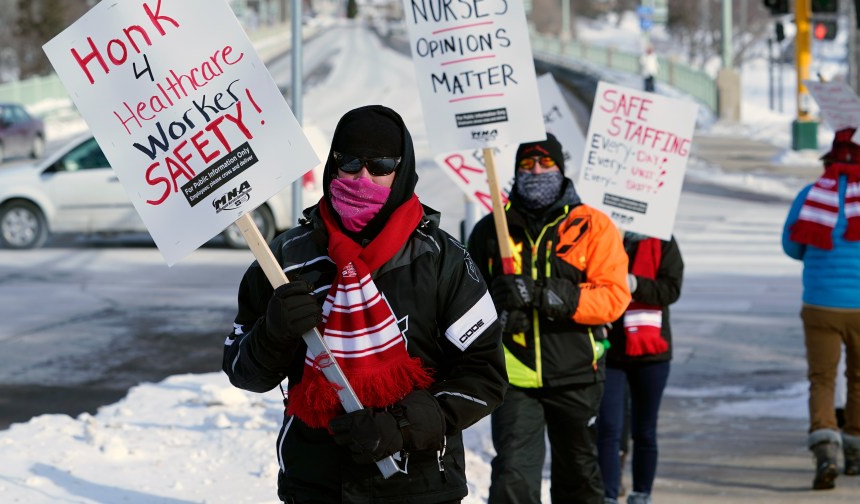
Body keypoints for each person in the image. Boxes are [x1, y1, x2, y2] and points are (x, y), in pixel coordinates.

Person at [222, 105, 508, 503]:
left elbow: (484, 375)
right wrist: (273, 332)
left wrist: (403, 426)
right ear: (332, 167)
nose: (363, 177)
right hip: (316, 484)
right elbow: (242, 371)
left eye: (381, 165)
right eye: (350, 162)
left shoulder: (442, 258)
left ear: (402, 169)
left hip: (419, 485)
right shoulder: (284, 260)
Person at [466, 134, 631, 504]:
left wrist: (542, 294)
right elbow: (465, 300)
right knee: (512, 480)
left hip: (576, 374)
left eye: (545, 163)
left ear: (560, 169)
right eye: (527, 164)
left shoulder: (591, 226)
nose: (536, 171)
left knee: (578, 478)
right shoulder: (492, 229)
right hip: (514, 377)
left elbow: (613, 297)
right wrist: (500, 311)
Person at [782, 126, 860, 490]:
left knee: (822, 378)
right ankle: (856, 452)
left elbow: (792, 246)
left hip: (820, 304)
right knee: (859, 379)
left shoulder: (811, 194)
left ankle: (826, 447)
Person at [597, 232, 684, 504]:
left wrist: (635, 284)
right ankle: (609, 496)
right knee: (608, 428)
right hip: (611, 350)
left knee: (644, 430)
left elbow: (671, 288)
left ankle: (641, 494)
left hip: (651, 352)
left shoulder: (662, 239)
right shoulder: (604, 235)